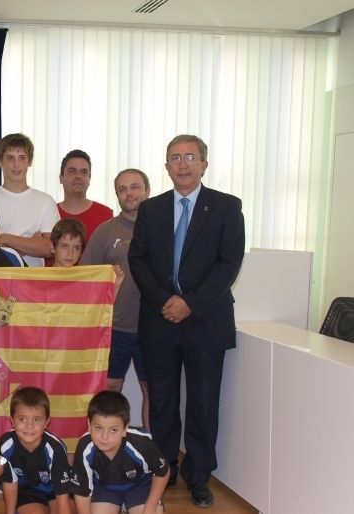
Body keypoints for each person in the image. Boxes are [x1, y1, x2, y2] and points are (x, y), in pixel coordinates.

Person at [128, 135, 245, 507]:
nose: (183, 164)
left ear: (204, 164)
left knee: (203, 402)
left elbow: (229, 263)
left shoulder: (227, 207)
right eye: (175, 158)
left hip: (206, 321)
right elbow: (139, 261)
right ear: (166, 166)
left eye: (190, 157)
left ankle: (198, 475)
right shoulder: (151, 209)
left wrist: (189, 304)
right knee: (161, 401)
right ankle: (163, 471)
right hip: (159, 319)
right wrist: (167, 301)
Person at [81, 169, 152, 431]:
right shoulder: (105, 232)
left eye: (135, 187)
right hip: (115, 328)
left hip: (153, 327)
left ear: (148, 190)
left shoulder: (162, 228)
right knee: (110, 389)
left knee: (151, 389)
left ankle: (151, 449)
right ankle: (105, 449)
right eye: (123, 189)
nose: (129, 193)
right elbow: (86, 278)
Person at [72, 391, 168, 514]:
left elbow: (163, 472)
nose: (104, 436)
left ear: (124, 429)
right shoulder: (85, 447)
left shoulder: (141, 443)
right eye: (98, 428)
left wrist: (150, 507)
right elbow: (82, 492)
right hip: (105, 489)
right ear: (89, 425)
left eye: (113, 430)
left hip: (139, 487)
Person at [0, 133, 59, 267]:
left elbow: (50, 249)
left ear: (30, 161)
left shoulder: (45, 201)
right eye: (10, 158)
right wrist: (31, 243)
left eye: (22, 158)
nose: (16, 164)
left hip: (33, 282)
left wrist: (5, 239)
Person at [0, 387, 72, 514]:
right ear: (12, 421)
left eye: (36, 419)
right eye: (22, 419)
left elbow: (62, 495)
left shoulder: (55, 448)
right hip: (28, 492)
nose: (29, 426)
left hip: (56, 491)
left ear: (47, 422)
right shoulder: (6, 445)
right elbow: (10, 483)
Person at [54, 149, 112, 250]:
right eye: (72, 171)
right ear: (61, 177)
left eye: (84, 172)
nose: (78, 176)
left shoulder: (106, 215)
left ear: (89, 178)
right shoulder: (48, 212)